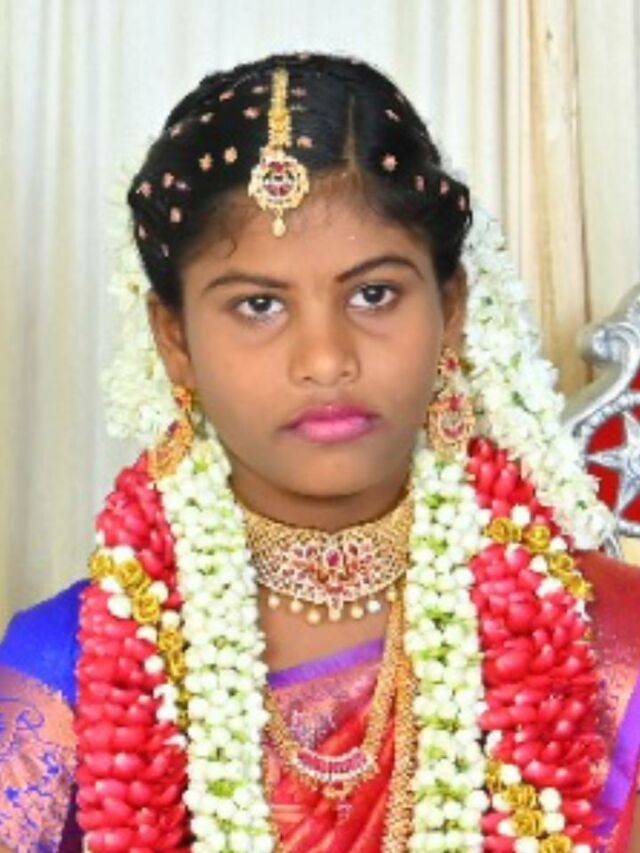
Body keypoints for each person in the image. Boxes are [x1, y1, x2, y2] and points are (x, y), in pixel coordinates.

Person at [1, 51, 639, 853]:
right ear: (175, 339)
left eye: (374, 294)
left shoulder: (610, 647)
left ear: (449, 310)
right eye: (258, 305)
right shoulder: (68, 664)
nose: (326, 358)